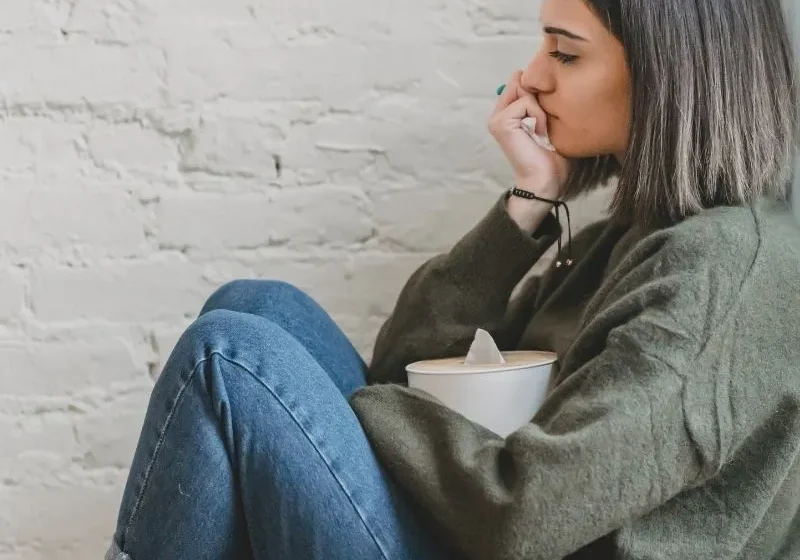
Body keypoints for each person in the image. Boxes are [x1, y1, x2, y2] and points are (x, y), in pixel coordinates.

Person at [105, 0, 800, 558]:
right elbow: (406, 364)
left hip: (502, 533)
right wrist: (527, 206)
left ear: (666, 73)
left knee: (227, 356)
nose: (533, 75)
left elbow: (524, 514)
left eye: (564, 51)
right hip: (478, 529)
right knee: (256, 307)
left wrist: (348, 407)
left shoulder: (722, 273)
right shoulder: (620, 242)